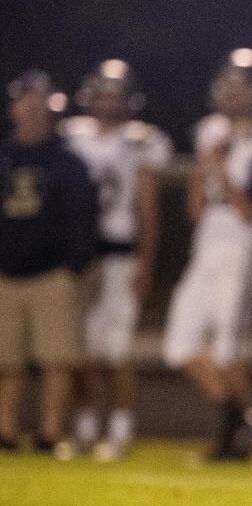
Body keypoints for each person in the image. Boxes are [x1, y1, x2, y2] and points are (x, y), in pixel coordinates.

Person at [162, 49, 252, 459]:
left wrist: (219, 166)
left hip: (243, 249)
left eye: (243, 87)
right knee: (178, 345)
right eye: (231, 86)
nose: (235, 95)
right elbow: (195, 210)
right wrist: (205, 166)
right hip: (206, 248)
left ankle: (234, 435)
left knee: (228, 349)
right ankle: (240, 418)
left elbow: (250, 211)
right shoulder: (210, 131)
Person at [60, 60, 172, 460]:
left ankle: (120, 430)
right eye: (104, 94)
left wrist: (145, 263)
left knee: (118, 349)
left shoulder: (143, 141)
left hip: (122, 255)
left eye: (116, 95)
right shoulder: (72, 137)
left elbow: (148, 209)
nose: (109, 102)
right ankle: (86, 427)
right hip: (79, 255)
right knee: (81, 349)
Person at [0, 71, 97, 453]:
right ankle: (5, 430)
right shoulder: (4, 157)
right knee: (7, 361)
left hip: (53, 272)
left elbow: (84, 216)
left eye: (39, 103)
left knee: (58, 359)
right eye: (26, 101)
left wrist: (76, 265)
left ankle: (50, 432)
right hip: (5, 273)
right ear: (14, 108)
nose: (32, 109)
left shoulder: (68, 161)